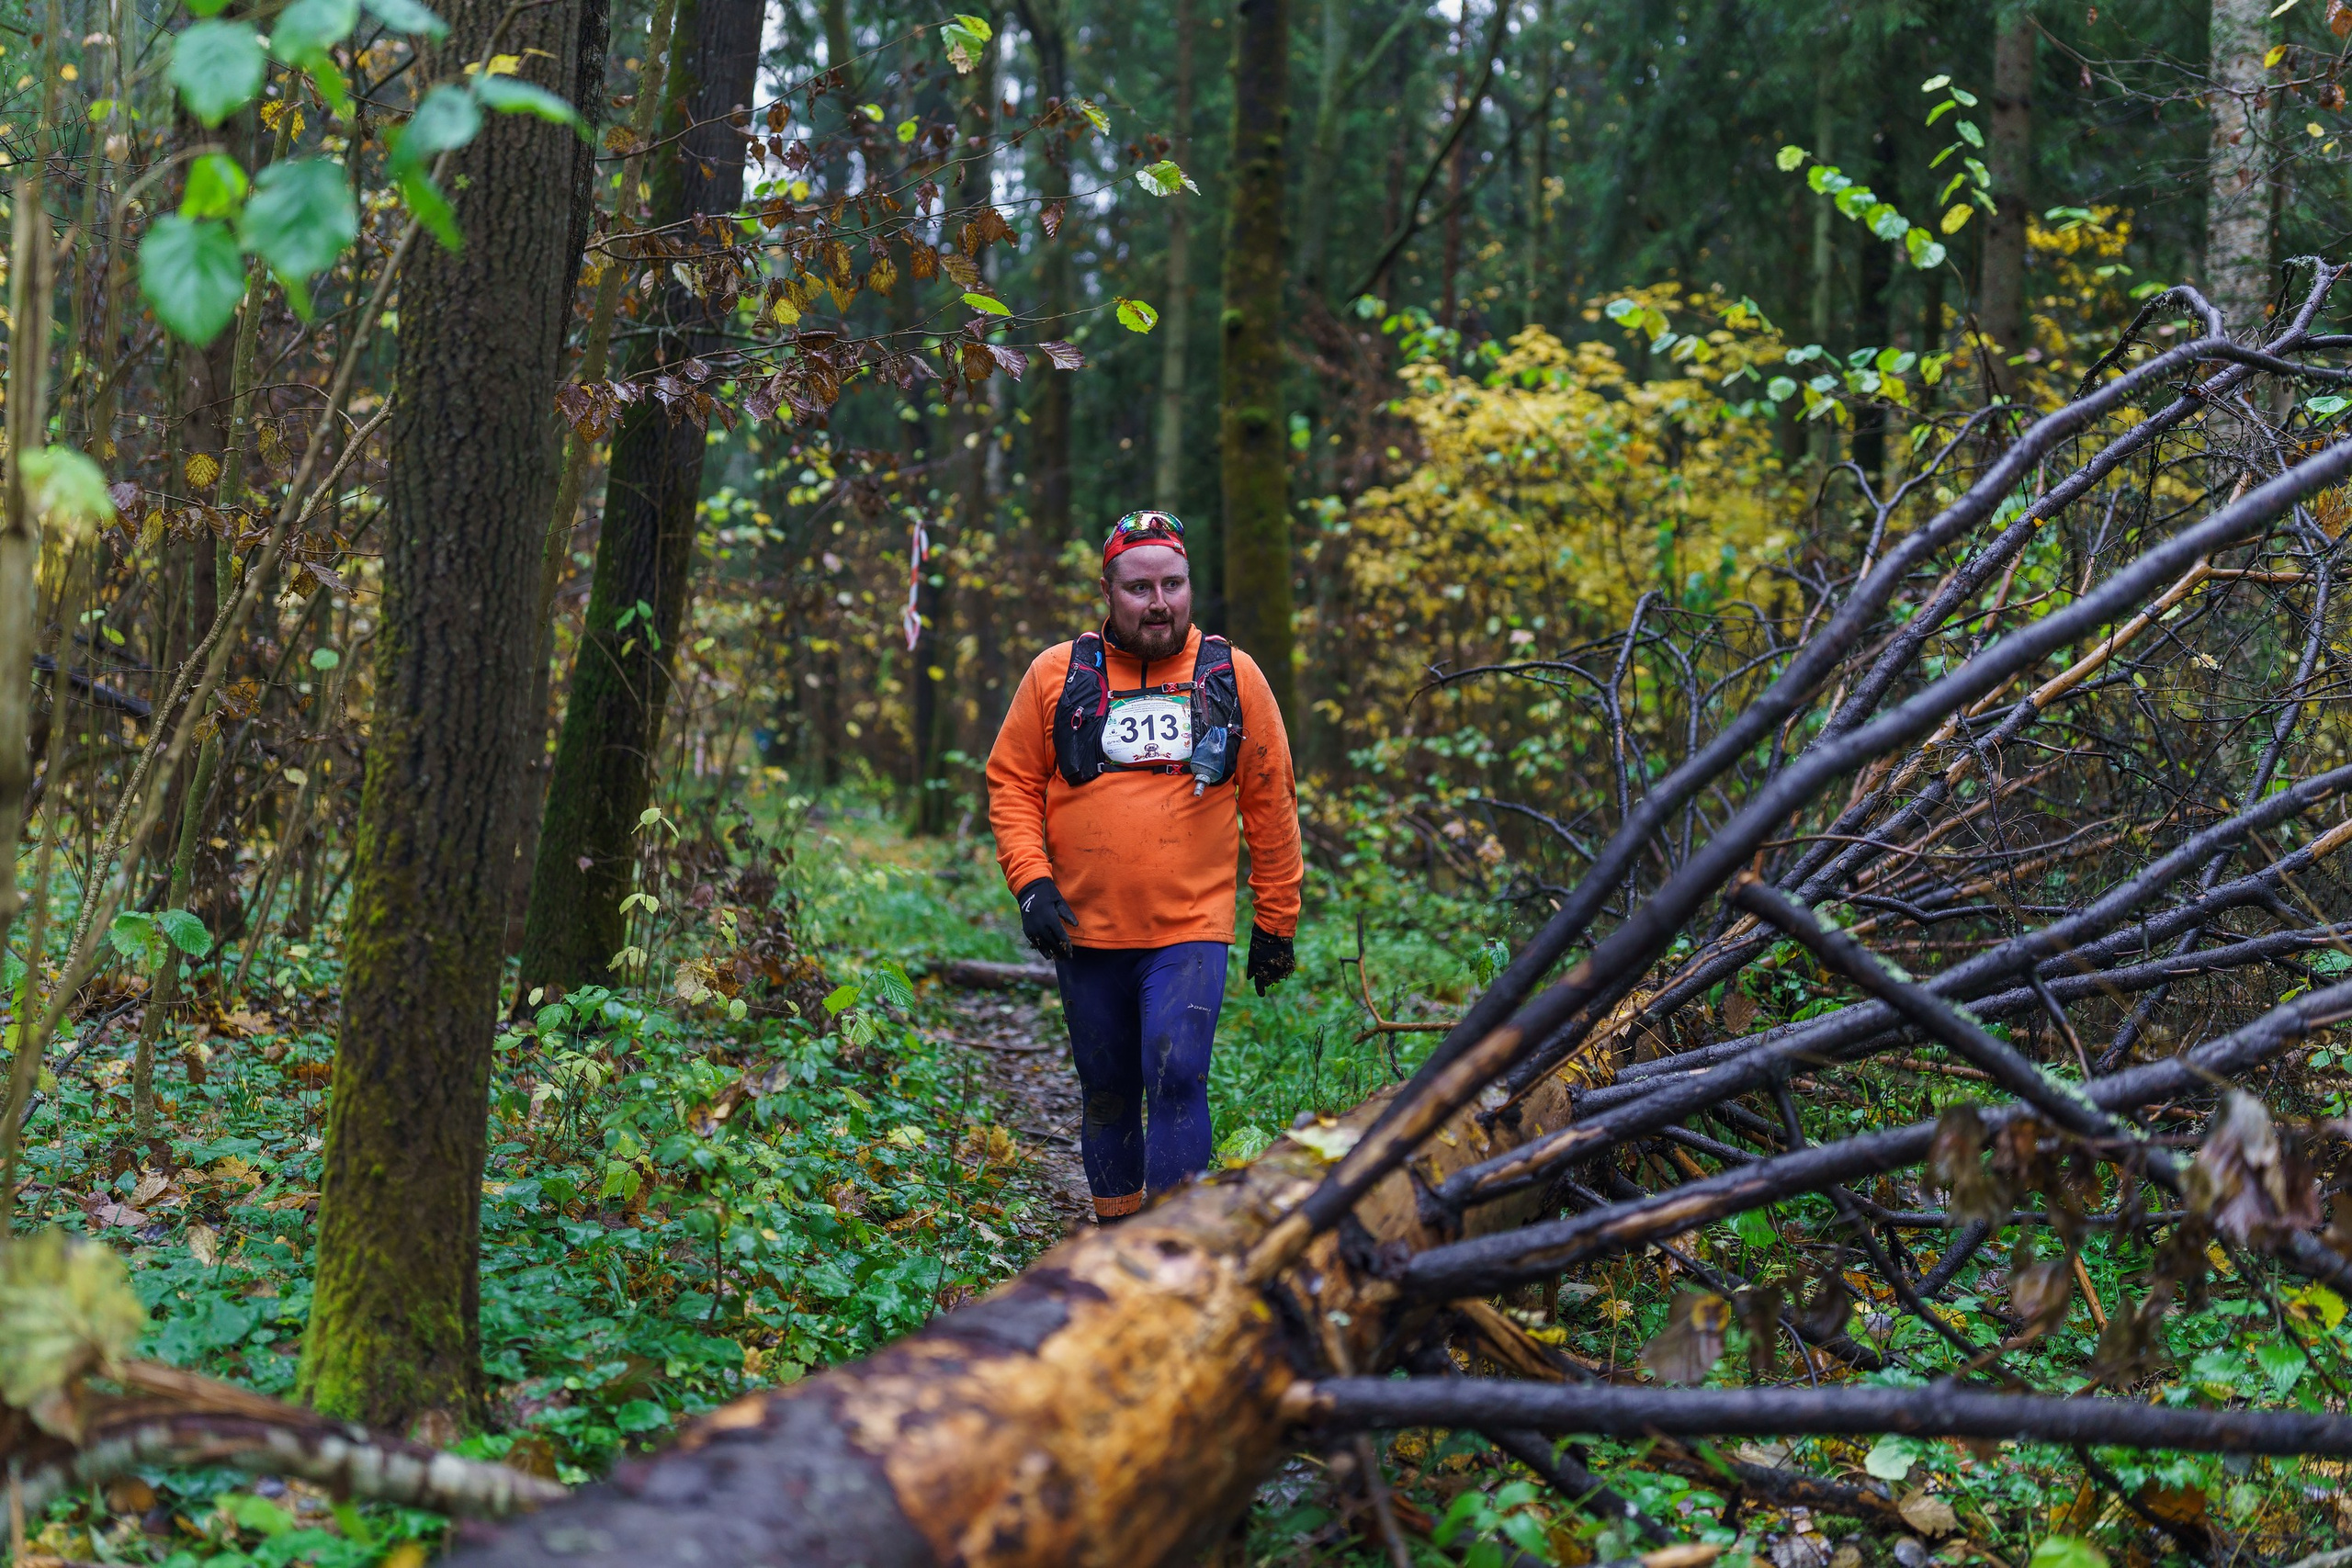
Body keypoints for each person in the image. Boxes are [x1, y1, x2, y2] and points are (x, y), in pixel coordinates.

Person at [985, 509, 1303, 1223]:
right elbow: (1011, 781)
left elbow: (1272, 796)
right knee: (1106, 1086)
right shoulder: (1055, 674)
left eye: (1173, 583)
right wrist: (1031, 882)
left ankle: (1173, 1249)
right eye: (1139, 588)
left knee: (1178, 1069)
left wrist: (1276, 920)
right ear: (1108, 590)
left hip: (1190, 924)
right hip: (1085, 928)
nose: (1159, 602)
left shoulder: (1232, 675)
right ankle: (1118, 1238)